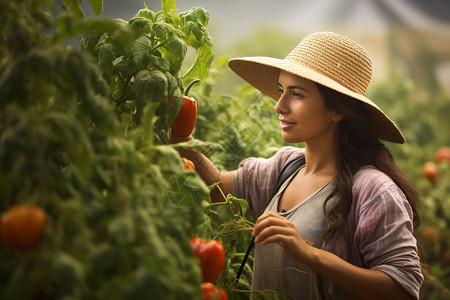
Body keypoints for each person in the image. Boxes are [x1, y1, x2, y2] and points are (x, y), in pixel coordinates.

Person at [174, 32, 423, 299]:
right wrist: (176, 130)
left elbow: (403, 289)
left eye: (297, 94)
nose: (279, 106)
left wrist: (309, 254)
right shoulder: (285, 167)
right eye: (281, 91)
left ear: (337, 110)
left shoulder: (374, 190)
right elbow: (217, 189)